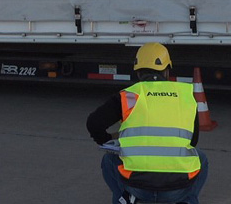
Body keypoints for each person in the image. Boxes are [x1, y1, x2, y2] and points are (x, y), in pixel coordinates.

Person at [87, 43, 208, 204]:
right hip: (178, 188)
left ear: (138, 72)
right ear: (166, 71)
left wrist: (108, 139)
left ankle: (124, 200)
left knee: (109, 160)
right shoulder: (185, 96)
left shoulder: (130, 96)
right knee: (202, 158)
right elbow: (193, 141)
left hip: (137, 186)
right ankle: (188, 200)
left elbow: (94, 123)